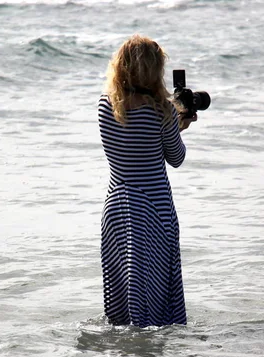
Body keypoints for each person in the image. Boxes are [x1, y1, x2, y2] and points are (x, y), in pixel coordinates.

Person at [97, 34, 197, 328]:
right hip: (152, 210)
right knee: (154, 306)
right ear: (154, 71)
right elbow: (175, 158)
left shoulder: (105, 106)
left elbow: (131, 145)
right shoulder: (161, 110)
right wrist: (178, 125)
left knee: (122, 299)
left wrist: (169, 122)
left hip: (116, 206)